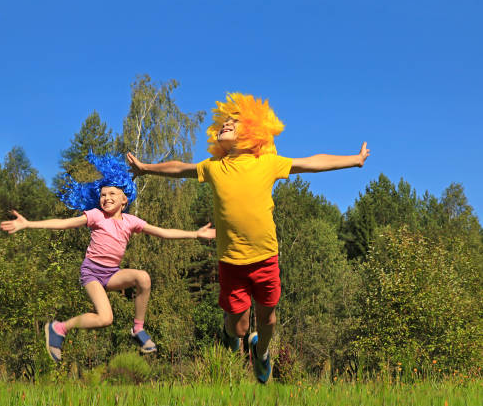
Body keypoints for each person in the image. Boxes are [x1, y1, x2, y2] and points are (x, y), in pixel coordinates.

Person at [127, 92, 370, 383]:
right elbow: (180, 168)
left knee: (268, 319)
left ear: (253, 131)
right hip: (231, 262)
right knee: (238, 326)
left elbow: (312, 162)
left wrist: (354, 160)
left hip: (265, 258)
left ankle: (262, 352)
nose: (226, 125)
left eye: (234, 122)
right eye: (224, 123)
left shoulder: (267, 163)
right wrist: (146, 168)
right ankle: (234, 335)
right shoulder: (214, 167)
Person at [0, 152, 215, 362]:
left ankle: (138, 329)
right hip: (91, 272)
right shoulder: (95, 216)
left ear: (124, 199)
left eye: (112, 194)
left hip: (112, 274)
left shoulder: (131, 221)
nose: (106, 198)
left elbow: (163, 232)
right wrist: (28, 224)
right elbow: (63, 224)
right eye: (103, 195)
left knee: (143, 278)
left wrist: (195, 234)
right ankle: (59, 328)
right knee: (105, 319)